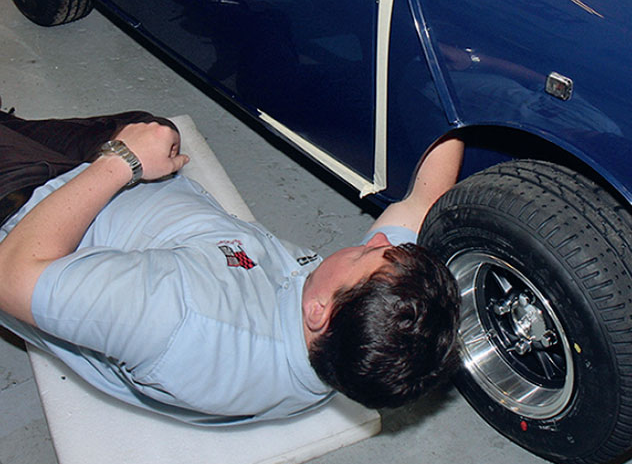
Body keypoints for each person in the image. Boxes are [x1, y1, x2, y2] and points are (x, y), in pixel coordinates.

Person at [0, 105, 462, 424]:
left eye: (364, 254)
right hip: (129, 186)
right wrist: (454, 97)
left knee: (137, 135)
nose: (374, 237)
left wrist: (122, 161)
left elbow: (12, 277)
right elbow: (422, 203)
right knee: (154, 127)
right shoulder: (351, 347)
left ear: (320, 312)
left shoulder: (180, 321)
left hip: (30, 204)